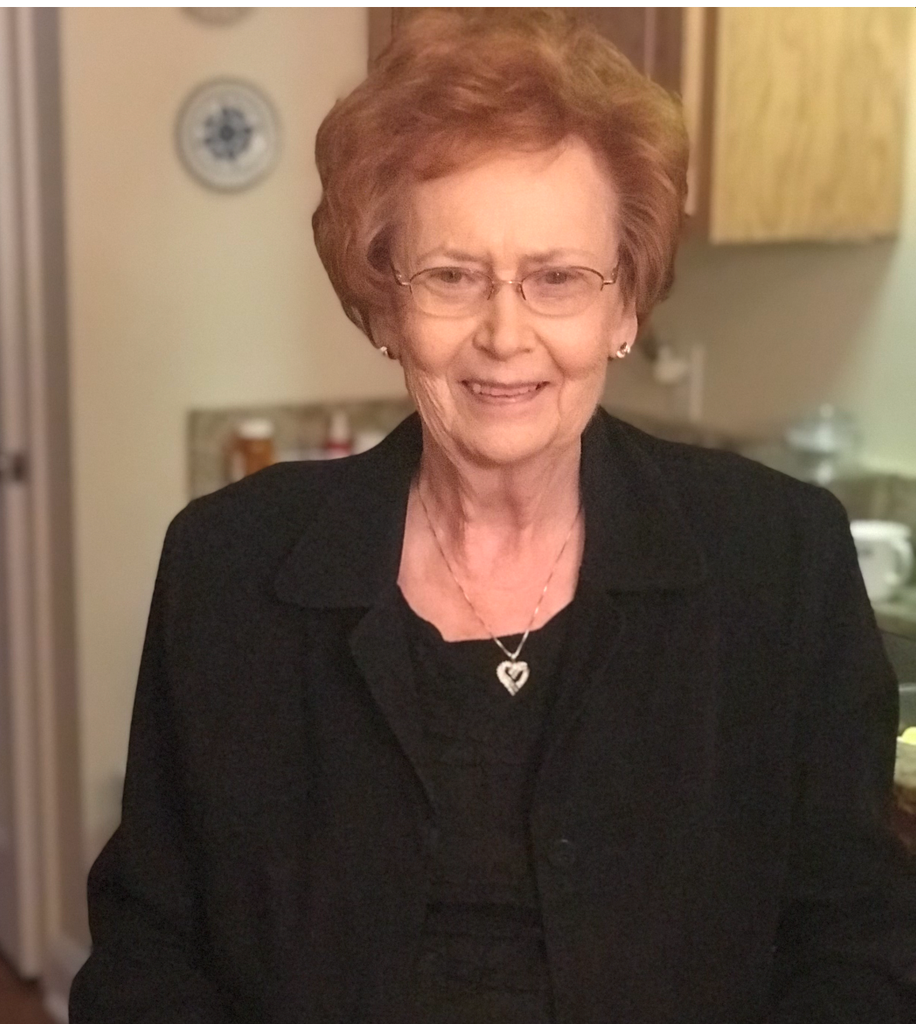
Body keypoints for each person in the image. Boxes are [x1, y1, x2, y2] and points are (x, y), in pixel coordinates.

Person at [69, 10, 916, 1024]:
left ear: (623, 307)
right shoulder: (227, 566)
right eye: (451, 277)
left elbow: (859, 944)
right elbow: (147, 948)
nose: (504, 334)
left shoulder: (778, 560)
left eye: (557, 278)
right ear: (386, 307)